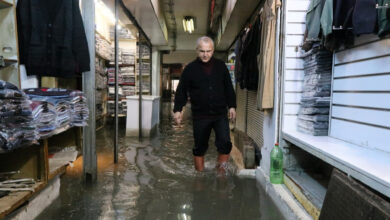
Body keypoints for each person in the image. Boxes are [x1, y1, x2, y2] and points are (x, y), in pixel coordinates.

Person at [173, 36, 236, 174]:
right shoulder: (190, 69)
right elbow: (181, 90)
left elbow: (228, 88)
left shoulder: (221, 67)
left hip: (220, 114)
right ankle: (199, 176)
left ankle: (221, 173)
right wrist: (178, 109)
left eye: (208, 51)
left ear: (213, 51)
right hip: (200, 115)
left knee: (225, 143)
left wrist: (232, 106)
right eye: (202, 51)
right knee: (200, 146)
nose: (205, 54)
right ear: (197, 50)